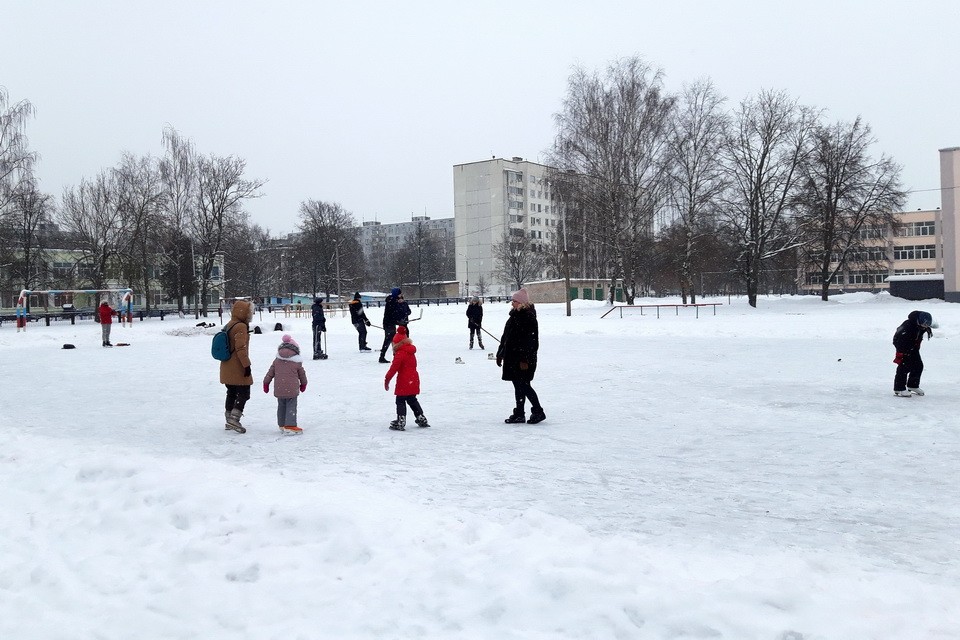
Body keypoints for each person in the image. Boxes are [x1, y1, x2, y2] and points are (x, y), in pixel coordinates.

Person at [496, 288, 545, 424]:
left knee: (524, 385)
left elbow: (530, 342)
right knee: (518, 385)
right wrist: (500, 353)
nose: (512, 303)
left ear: (522, 303)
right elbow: (505, 337)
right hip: (512, 357)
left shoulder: (528, 317)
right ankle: (519, 413)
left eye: (515, 301)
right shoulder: (514, 317)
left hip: (522, 359)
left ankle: (538, 411)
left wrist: (525, 359)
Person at [384, 325, 430, 430]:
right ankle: (421, 417)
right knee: (412, 399)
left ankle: (401, 420)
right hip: (413, 379)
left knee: (400, 400)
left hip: (403, 381)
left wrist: (387, 380)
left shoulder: (400, 354)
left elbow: (393, 369)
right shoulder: (410, 352)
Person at [221, 299, 255, 433]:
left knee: (232, 392)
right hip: (237, 365)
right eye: (250, 311)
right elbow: (241, 349)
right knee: (244, 392)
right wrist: (247, 366)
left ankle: (229, 418)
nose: (251, 314)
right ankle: (234, 419)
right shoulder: (240, 326)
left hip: (227, 365)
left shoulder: (230, 324)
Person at [263, 334, 308, 434]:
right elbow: (302, 374)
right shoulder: (296, 361)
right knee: (291, 406)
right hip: (292, 389)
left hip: (279, 388)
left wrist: (266, 383)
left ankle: (282, 424)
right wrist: (303, 384)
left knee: (281, 405)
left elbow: (270, 373)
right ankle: (290, 425)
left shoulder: (277, 360)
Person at [893, 310, 933, 397]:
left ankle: (913, 385)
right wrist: (901, 353)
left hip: (913, 346)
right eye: (924, 324)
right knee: (904, 366)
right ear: (919, 321)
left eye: (927, 324)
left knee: (918, 365)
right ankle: (899, 388)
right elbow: (899, 340)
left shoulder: (920, 326)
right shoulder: (908, 327)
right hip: (903, 347)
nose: (925, 326)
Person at [379, 287, 411, 363]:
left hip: (391, 323)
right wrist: (400, 320)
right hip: (389, 323)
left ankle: (393, 356)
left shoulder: (393, 300)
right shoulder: (392, 301)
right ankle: (383, 356)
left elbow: (401, 313)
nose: (401, 295)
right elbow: (394, 314)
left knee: (391, 339)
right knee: (389, 339)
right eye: (399, 293)